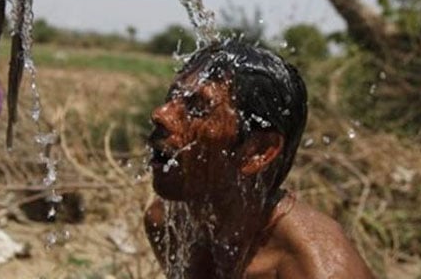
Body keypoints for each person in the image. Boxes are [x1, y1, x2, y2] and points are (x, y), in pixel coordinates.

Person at [144, 39, 374, 279]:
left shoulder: (319, 268)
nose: (160, 114)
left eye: (199, 107)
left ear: (259, 152)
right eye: (173, 96)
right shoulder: (169, 223)